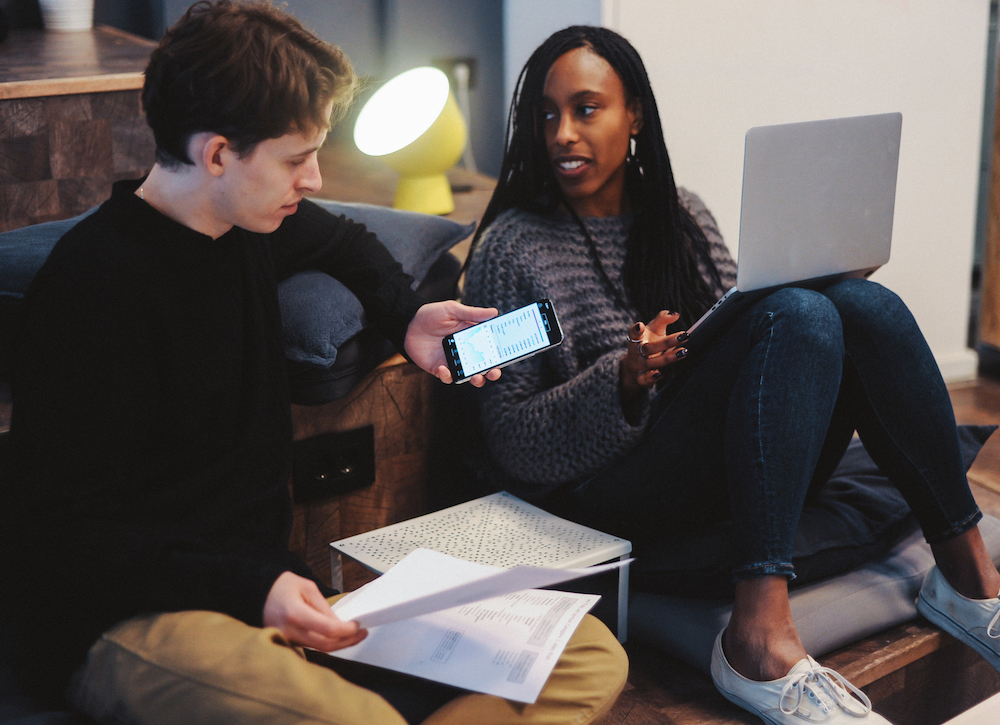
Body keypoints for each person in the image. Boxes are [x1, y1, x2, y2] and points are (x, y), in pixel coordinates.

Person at [0, 4, 629, 724]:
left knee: (585, 654)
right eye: (298, 159)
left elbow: (349, 243)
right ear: (217, 154)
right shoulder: (91, 291)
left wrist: (408, 317)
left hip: (266, 595)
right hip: (130, 620)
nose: (318, 178)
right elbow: (66, 541)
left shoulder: (249, 225)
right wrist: (254, 586)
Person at [461, 24, 1000, 725]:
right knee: (802, 314)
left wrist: (826, 280)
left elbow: (760, 341)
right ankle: (757, 638)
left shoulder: (681, 216)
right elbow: (511, 439)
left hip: (718, 472)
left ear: (635, 118)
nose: (562, 132)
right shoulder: (512, 248)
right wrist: (620, 380)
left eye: (586, 108)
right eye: (546, 114)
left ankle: (969, 582)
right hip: (606, 492)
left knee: (855, 305)